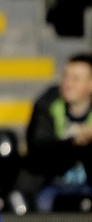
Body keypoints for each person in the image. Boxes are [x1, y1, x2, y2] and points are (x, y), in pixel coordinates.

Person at [26, 53, 92, 212]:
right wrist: (74, 143)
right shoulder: (48, 105)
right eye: (66, 77)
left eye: (76, 79)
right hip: (53, 184)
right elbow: (39, 149)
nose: (67, 84)